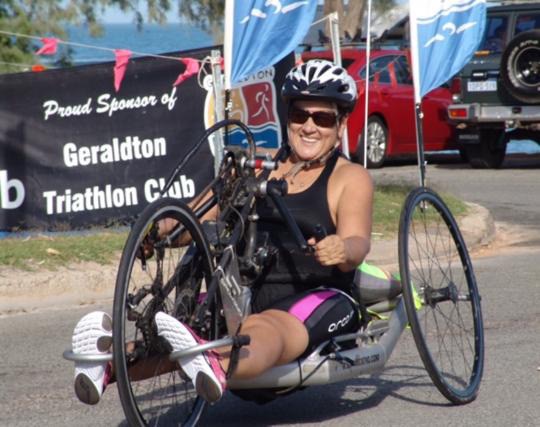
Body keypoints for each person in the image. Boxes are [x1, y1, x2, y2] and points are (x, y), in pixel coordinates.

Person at [70, 59, 374, 406]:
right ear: (287, 116)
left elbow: (358, 243)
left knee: (263, 329)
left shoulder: (350, 177)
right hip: (244, 293)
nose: (308, 127)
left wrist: (341, 248)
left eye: (322, 118)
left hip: (318, 295)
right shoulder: (252, 166)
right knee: (178, 330)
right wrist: (156, 231)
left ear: (341, 124)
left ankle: (215, 361)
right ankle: (107, 363)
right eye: (299, 115)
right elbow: (192, 219)